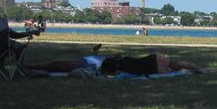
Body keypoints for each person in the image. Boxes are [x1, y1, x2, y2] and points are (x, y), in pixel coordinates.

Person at [23, 48, 205, 76]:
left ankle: (32, 66)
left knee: (58, 64)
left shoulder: (109, 65)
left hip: (150, 63)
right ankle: (200, 70)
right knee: (180, 65)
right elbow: (177, 68)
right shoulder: (117, 63)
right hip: (151, 62)